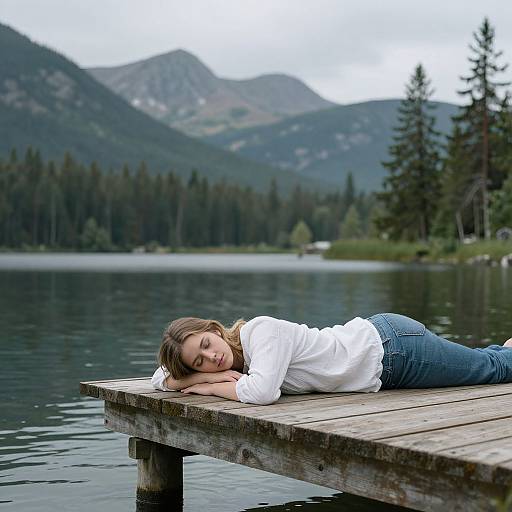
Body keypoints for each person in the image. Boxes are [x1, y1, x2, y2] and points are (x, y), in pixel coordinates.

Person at [151, 313, 512, 405]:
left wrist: (210, 387)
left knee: (491, 370)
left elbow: (262, 393)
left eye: (206, 343)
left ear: (213, 329)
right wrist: (196, 380)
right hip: (385, 369)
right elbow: (158, 379)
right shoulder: (233, 366)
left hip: (394, 348)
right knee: (487, 361)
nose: (212, 357)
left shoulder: (261, 332)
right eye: (199, 362)